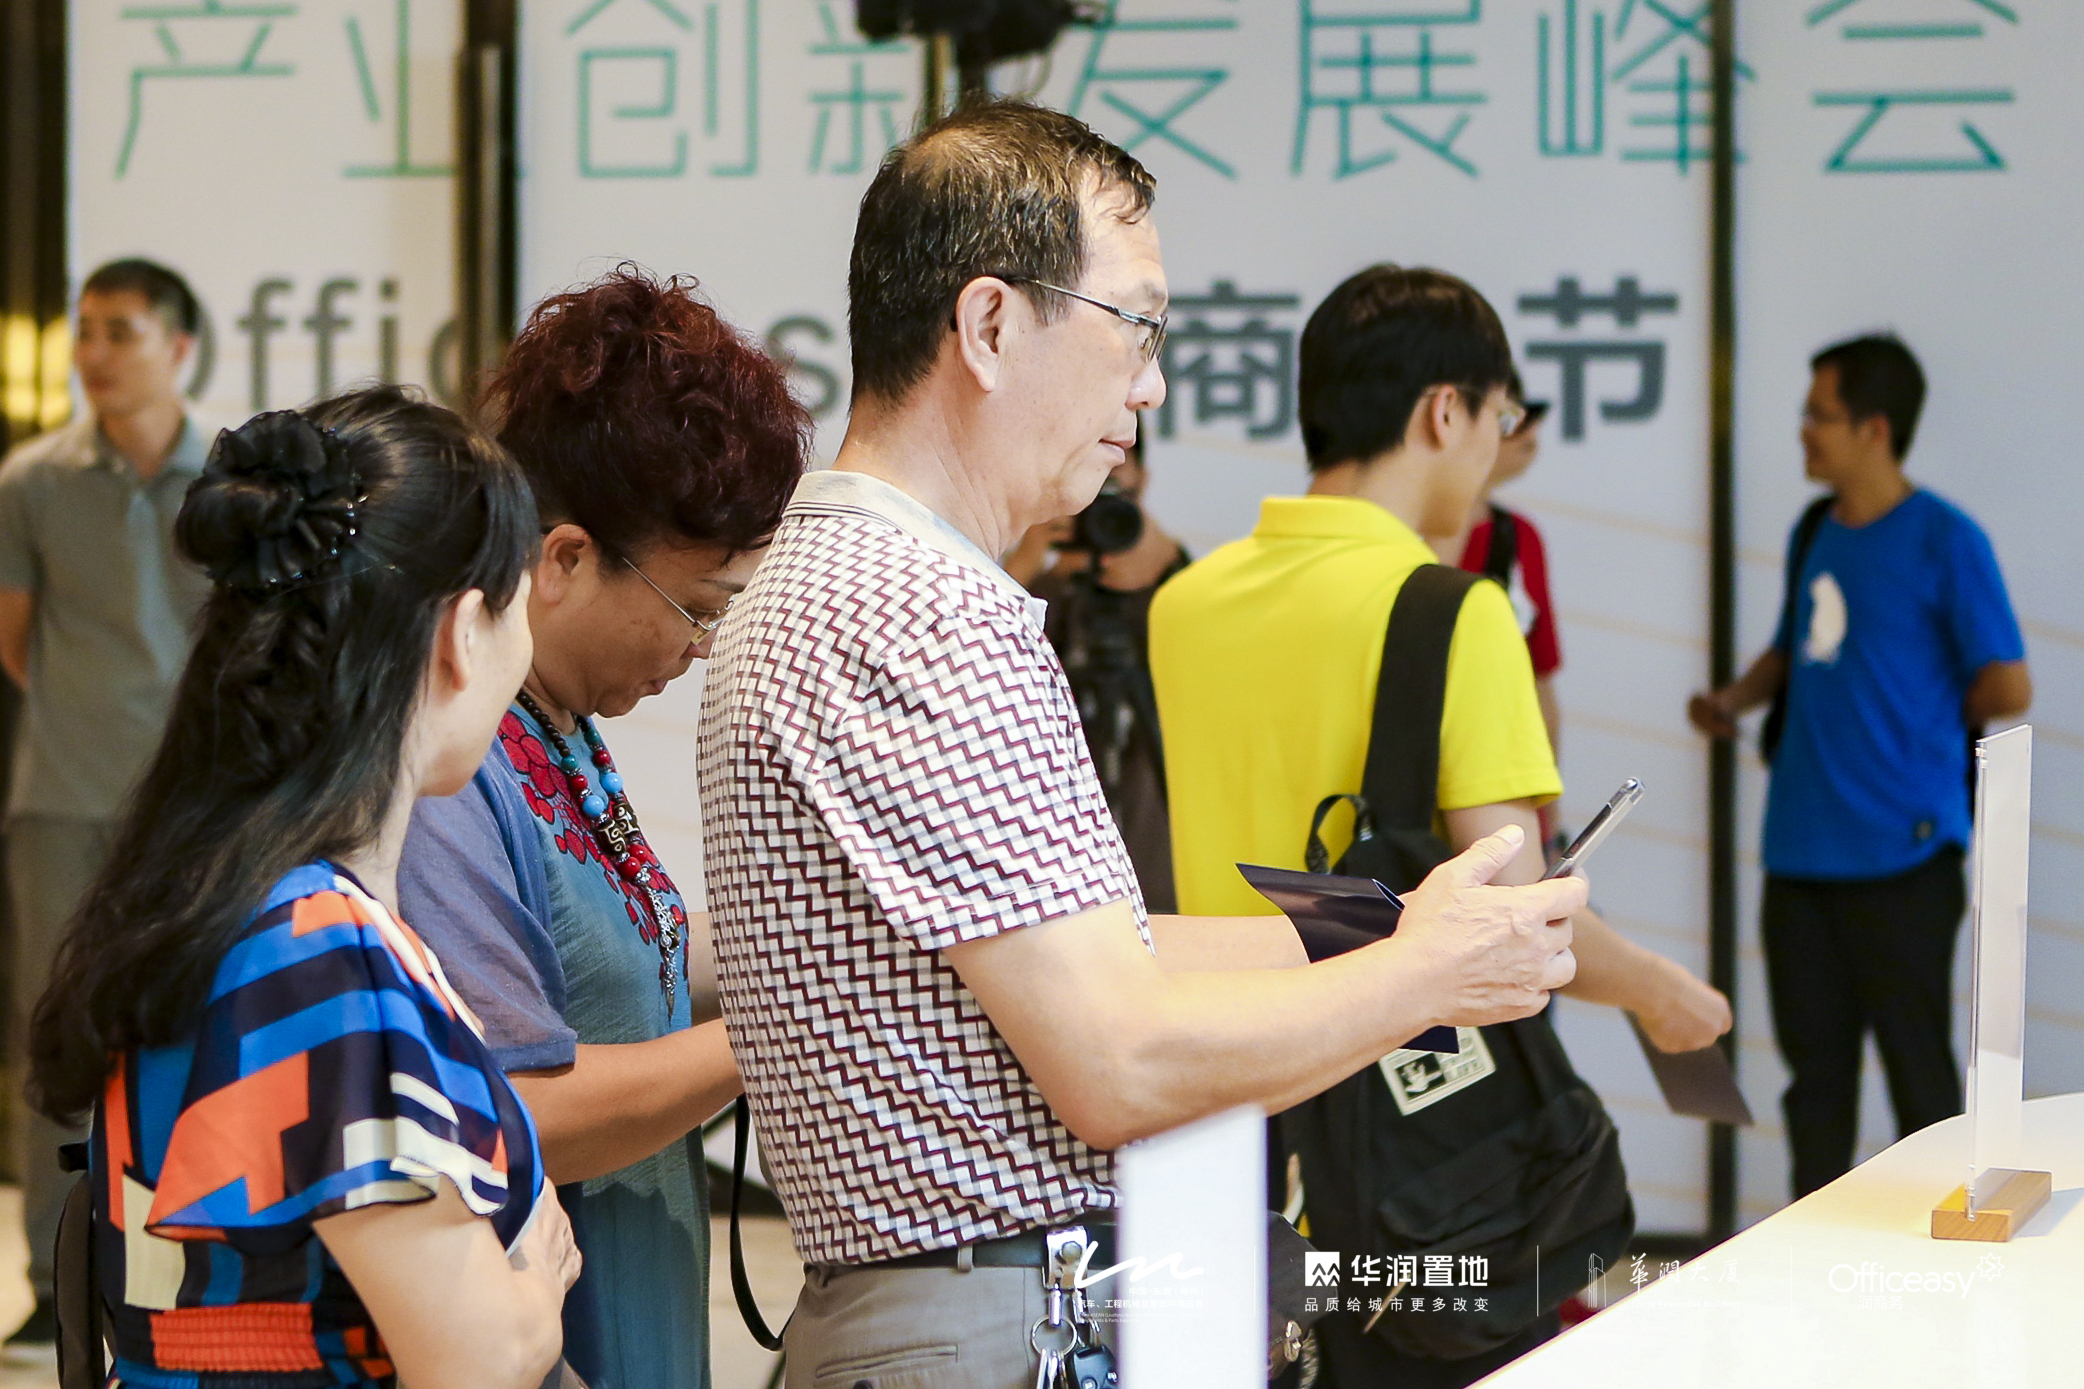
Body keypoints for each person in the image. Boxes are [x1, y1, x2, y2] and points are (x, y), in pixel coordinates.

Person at [698, 101, 1593, 1389]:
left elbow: (1084, 947)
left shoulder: (852, 577)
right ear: (989, 326)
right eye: (1135, 324)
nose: (1151, 382)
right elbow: (1115, 1062)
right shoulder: (916, 611)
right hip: (987, 1330)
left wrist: (1392, 930)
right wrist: (1428, 977)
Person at [1148, 265, 1729, 1386]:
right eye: (1499, 420)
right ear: (1444, 412)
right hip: (1410, 1146)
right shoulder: (1454, 613)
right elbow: (1514, 918)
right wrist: (1662, 992)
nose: (1493, 451)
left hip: (1226, 1116)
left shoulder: (1184, 606)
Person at [26, 388, 579, 1387]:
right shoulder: (324, 956)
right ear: (461, 633)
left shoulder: (220, 901)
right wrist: (538, 1279)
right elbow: (477, 1358)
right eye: (519, 607)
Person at [397, 266, 808, 1389]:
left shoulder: (562, 728)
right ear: (566, 559)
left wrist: (826, 944)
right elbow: (511, 1105)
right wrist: (785, 1025)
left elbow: (636, 955)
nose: (701, 649)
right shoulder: (454, 773)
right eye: (697, 608)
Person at [1689, 333, 2031, 1199]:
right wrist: (1732, 700)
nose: (1804, 430)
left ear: (1875, 428)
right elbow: (1793, 648)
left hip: (1905, 856)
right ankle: (1815, 1247)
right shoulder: (1814, 529)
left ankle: (1947, 1247)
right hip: (1800, 853)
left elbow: (2008, 681)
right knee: (1815, 1084)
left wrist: (1922, 721)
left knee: (1919, 1074)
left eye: (1821, 414)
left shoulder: (1946, 538)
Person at [0, 258, 213, 1345]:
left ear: (178, 349)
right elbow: (17, 642)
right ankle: (54, 1281)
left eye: (119, 332)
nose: (93, 354)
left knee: (198, 1026)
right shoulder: (32, 480)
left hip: (196, 809)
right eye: (84, 331)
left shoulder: (229, 479)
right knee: (54, 1035)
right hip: (64, 794)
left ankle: (192, 1267)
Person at [1003, 435, 1187, 910]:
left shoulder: (1176, 587)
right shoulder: (1041, 593)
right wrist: (1026, 564)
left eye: (1116, 479)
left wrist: (1170, 567)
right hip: (1055, 848)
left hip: (1153, 837)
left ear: (1142, 481)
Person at [1431, 373, 1562, 760]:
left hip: (1497, 767)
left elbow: (1539, 680)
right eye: (1509, 419)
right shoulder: (1399, 534)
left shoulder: (1519, 536)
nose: (1529, 431)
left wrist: (1547, 788)